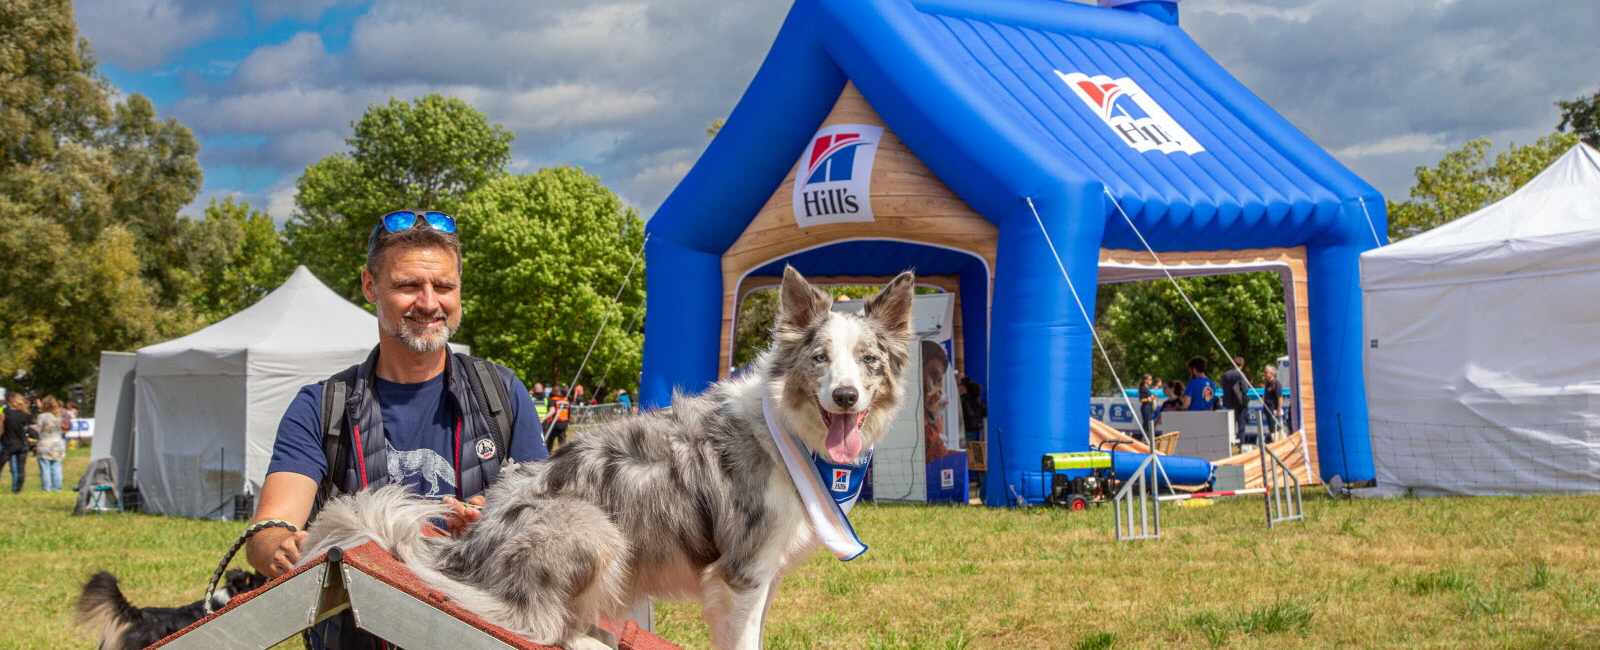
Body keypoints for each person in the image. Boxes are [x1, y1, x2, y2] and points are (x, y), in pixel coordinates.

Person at [246, 209, 549, 650]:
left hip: (477, 634)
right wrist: (284, 548)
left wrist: (491, 525)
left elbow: (546, 517)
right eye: (408, 285)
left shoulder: (500, 393)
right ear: (371, 286)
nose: (429, 302)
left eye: (444, 286)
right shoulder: (321, 406)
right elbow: (266, 532)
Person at [921, 341, 956, 461]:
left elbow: (938, 452)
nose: (934, 383)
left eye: (939, 379)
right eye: (932, 373)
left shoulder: (933, 413)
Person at [2, 393, 35, 493]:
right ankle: (17, 490)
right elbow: (32, 424)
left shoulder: (6, 413)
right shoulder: (26, 415)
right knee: (21, 469)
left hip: (9, 444)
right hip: (22, 444)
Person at [32, 396, 67, 492]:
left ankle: (46, 488)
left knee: (45, 467)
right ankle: (57, 488)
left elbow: (37, 429)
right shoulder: (58, 416)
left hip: (45, 443)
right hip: (58, 443)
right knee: (57, 467)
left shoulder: (42, 416)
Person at [1219, 356, 1250, 443]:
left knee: (1230, 426)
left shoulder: (1225, 375)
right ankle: (1241, 444)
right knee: (1241, 427)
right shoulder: (1241, 374)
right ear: (1242, 365)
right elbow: (1245, 388)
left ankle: (1229, 443)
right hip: (1240, 404)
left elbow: (1223, 387)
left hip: (1228, 403)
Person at [958, 375, 986, 443]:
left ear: (963, 387)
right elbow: (984, 413)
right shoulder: (978, 399)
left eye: (959, 385)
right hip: (977, 431)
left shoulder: (961, 400)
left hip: (964, 431)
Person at [1260, 364, 1283, 442]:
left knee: (1276, 429)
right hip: (1268, 410)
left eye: (1266, 373)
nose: (1265, 374)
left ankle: (1278, 442)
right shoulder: (1267, 384)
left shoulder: (1276, 384)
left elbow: (1280, 398)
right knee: (1271, 429)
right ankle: (1274, 441)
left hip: (1274, 410)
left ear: (1271, 374)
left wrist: (1279, 411)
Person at [544, 385, 571, 449]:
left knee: (550, 443)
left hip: (554, 425)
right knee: (562, 443)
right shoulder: (566, 400)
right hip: (563, 424)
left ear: (554, 392)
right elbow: (569, 413)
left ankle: (549, 455)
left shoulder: (552, 400)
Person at [1136, 374, 1155, 442]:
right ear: (1145, 380)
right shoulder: (1143, 388)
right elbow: (1141, 399)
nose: (1151, 381)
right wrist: (1150, 398)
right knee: (1147, 424)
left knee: (1149, 423)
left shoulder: (1147, 388)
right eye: (1150, 379)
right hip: (1146, 407)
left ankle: (1148, 438)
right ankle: (1145, 439)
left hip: (1149, 407)